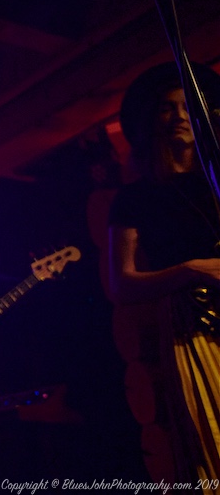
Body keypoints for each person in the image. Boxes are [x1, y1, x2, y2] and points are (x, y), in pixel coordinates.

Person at [106, 61, 220, 488]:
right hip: (193, 328)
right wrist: (191, 269)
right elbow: (122, 283)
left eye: (188, 107)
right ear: (152, 121)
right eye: (167, 108)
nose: (179, 117)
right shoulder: (134, 198)